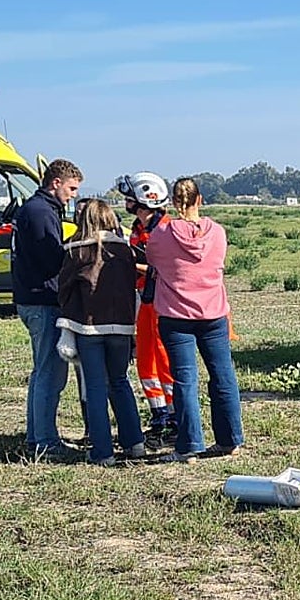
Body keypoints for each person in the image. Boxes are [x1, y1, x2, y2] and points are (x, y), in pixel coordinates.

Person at [145, 177, 243, 463]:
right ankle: (230, 440)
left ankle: (189, 446)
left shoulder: (161, 235)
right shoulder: (218, 233)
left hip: (176, 316)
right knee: (223, 376)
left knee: (185, 380)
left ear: (174, 202)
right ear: (200, 199)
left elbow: (152, 261)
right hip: (213, 314)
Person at [56, 199, 146, 466]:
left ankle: (102, 452)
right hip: (122, 326)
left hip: (88, 326)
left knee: (95, 387)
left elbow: (64, 289)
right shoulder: (124, 250)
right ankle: (135, 442)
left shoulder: (75, 250)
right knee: (120, 381)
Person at [12, 158, 83, 459]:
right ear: (56, 183)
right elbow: (52, 259)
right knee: (51, 375)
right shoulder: (41, 212)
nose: (73, 195)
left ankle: (36, 436)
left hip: (32, 298)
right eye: (71, 188)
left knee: (42, 371)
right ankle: (46, 442)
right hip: (42, 300)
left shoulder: (36, 208)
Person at [118, 171, 176, 448]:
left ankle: (176, 418)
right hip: (144, 298)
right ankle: (159, 415)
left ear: (144, 198)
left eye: (130, 197)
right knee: (145, 357)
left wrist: (130, 264)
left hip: (162, 299)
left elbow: (166, 268)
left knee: (164, 358)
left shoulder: (165, 229)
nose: (126, 201)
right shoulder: (138, 228)